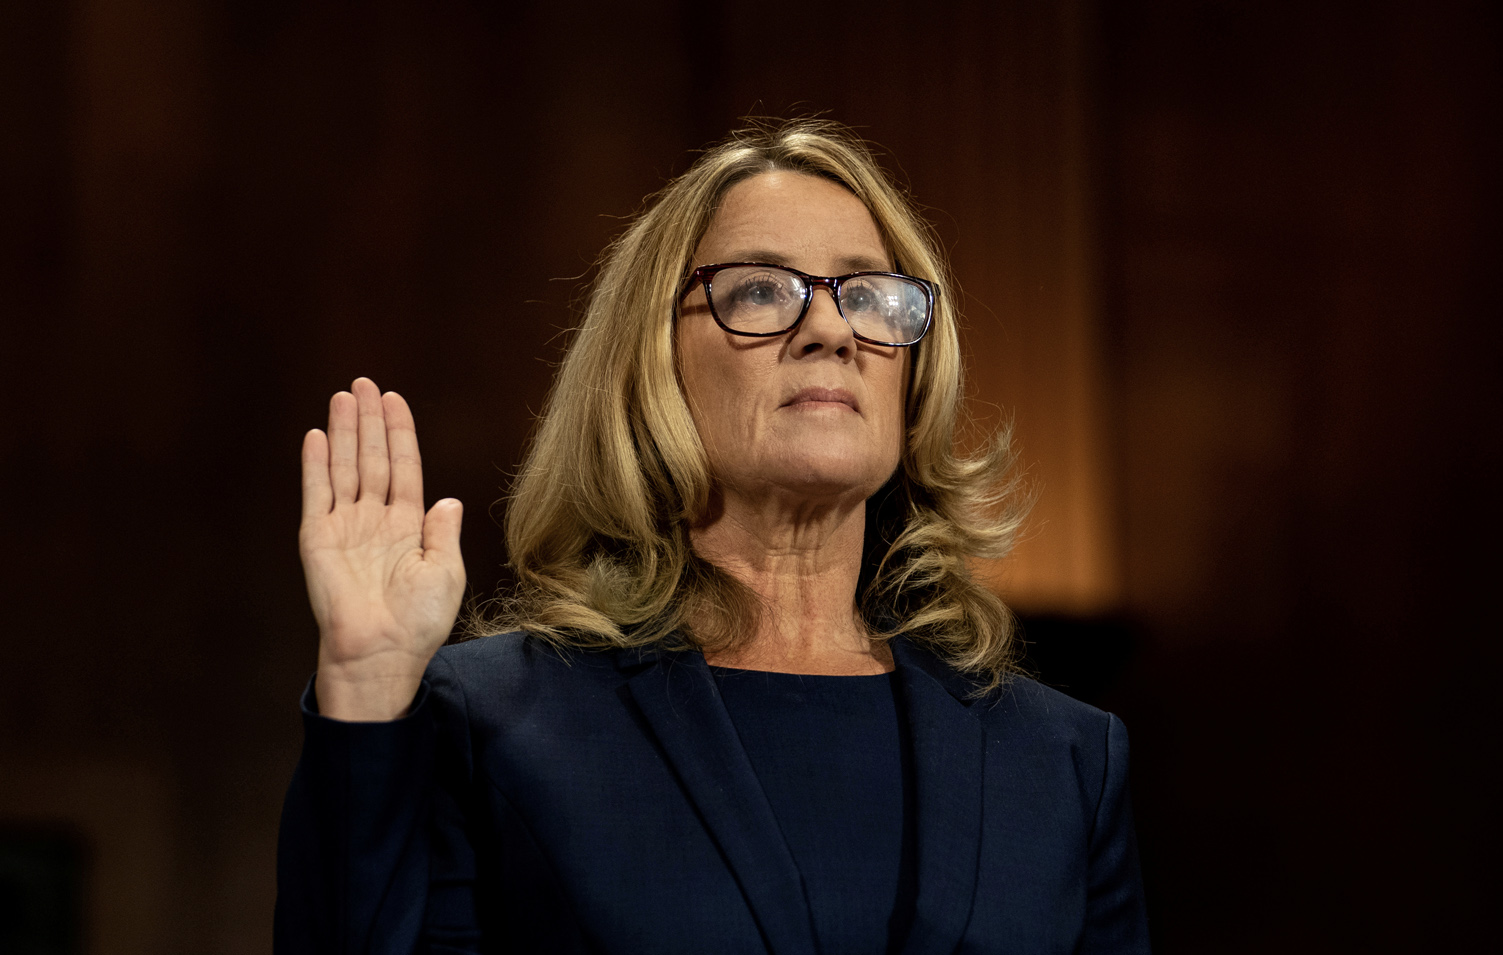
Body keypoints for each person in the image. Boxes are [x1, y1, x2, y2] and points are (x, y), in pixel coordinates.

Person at [275, 119, 1149, 954]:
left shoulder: (1061, 762)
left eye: (872, 297)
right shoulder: (498, 723)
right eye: (761, 290)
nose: (830, 330)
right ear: (652, 360)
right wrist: (367, 689)